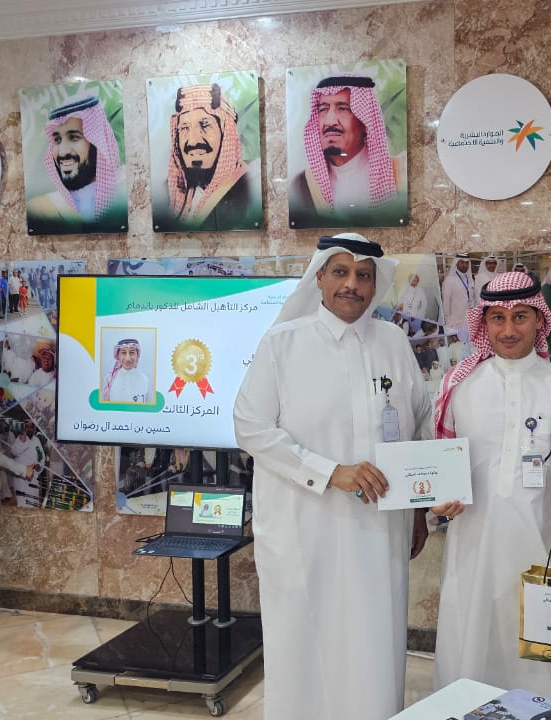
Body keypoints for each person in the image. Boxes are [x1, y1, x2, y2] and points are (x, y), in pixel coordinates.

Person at [232, 232, 432, 719]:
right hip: (305, 527)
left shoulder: (393, 341)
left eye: (363, 275)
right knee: (306, 642)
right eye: (340, 272)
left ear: (375, 284)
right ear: (319, 278)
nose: (352, 285)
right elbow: (249, 426)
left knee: (374, 642)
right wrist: (331, 473)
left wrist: (419, 508)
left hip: (380, 530)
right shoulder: (283, 342)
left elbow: (421, 422)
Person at [431, 271, 551, 706]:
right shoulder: (459, 389)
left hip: (547, 548)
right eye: (498, 318)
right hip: (474, 549)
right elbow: (438, 465)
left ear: (539, 320)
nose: (508, 329)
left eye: (520, 317)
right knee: (474, 653)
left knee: (546, 666)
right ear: (483, 324)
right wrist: (439, 500)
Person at [288, 74, 406, 228]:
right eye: (323, 109)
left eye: (343, 109)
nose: (330, 121)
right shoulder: (302, 184)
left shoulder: (400, 173)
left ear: (365, 122)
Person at [158, 82, 262, 232]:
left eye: (205, 125)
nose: (193, 141)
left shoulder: (249, 188)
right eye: (185, 128)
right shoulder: (166, 191)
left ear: (226, 134)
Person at [25, 95, 128, 235]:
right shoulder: (40, 210)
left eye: (74, 137)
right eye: (57, 140)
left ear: (98, 143)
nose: (62, 152)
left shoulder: (126, 196)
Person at [102, 338, 152, 403]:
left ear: (137, 356)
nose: (128, 359)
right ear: (118, 356)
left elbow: (150, 406)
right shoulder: (109, 379)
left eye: (132, 353)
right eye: (123, 353)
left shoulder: (145, 380)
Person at [441, 253, 474, 339]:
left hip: (470, 321)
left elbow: (472, 299)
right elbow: (446, 304)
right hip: (456, 323)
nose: (465, 265)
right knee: (460, 345)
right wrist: (450, 325)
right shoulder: (449, 280)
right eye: (462, 262)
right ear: (456, 263)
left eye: (467, 263)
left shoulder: (470, 279)